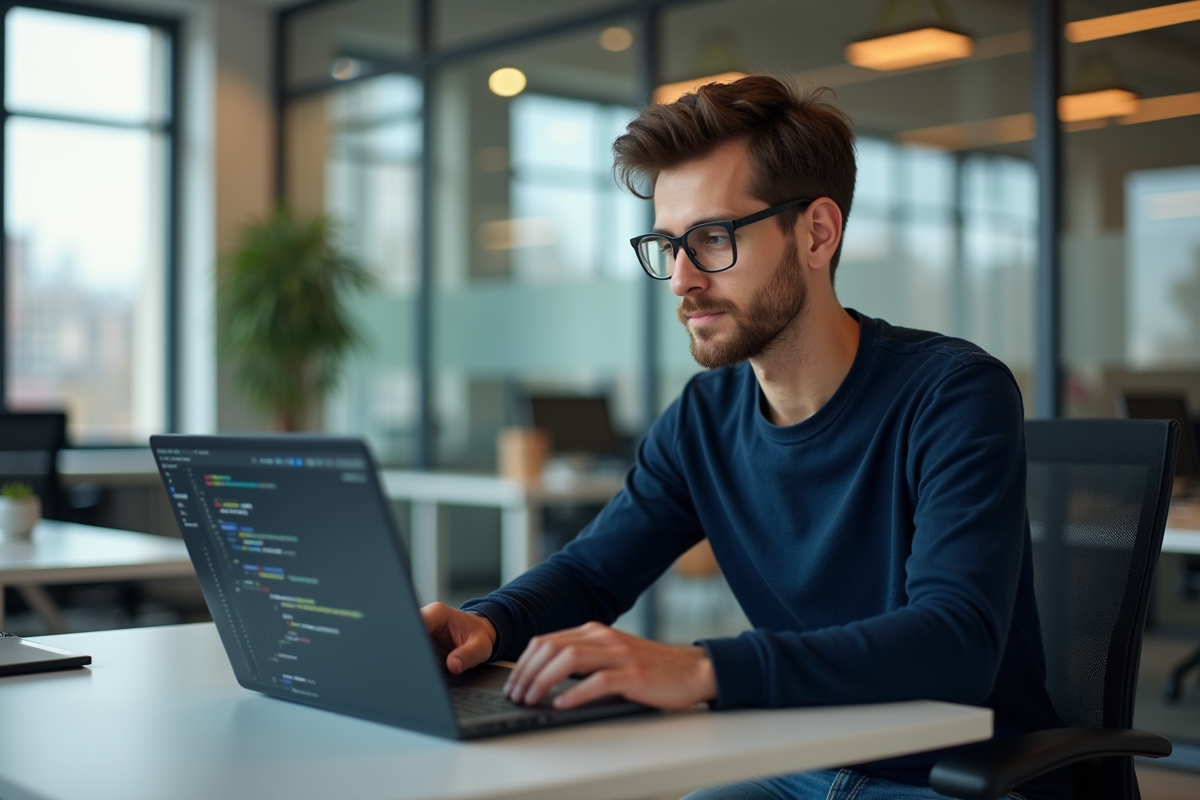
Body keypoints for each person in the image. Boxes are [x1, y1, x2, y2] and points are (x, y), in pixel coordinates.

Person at [420, 75, 1067, 800]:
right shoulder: (705, 416)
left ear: (817, 233)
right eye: (668, 246)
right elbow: (592, 574)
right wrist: (486, 624)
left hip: (955, 774)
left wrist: (701, 669)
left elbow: (956, 643)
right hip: (801, 755)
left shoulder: (951, 394)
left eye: (712, 239)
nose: (681, 280)